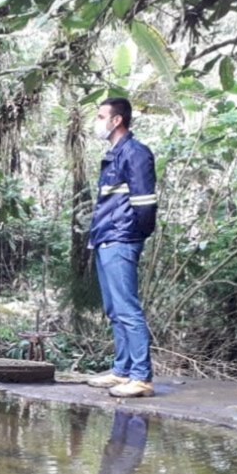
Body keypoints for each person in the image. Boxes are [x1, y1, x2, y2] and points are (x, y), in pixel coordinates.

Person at [86, 97, 158, 398]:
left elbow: (145, 205)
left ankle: (141, 376)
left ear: (117, 121)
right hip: (106, 237)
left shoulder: (136, 153)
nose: (97, 121)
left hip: (121, 238)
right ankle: (122, 370)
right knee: (115, 309)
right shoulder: (114, 154)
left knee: (127, 308)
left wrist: (131, 235)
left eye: (101, 116)